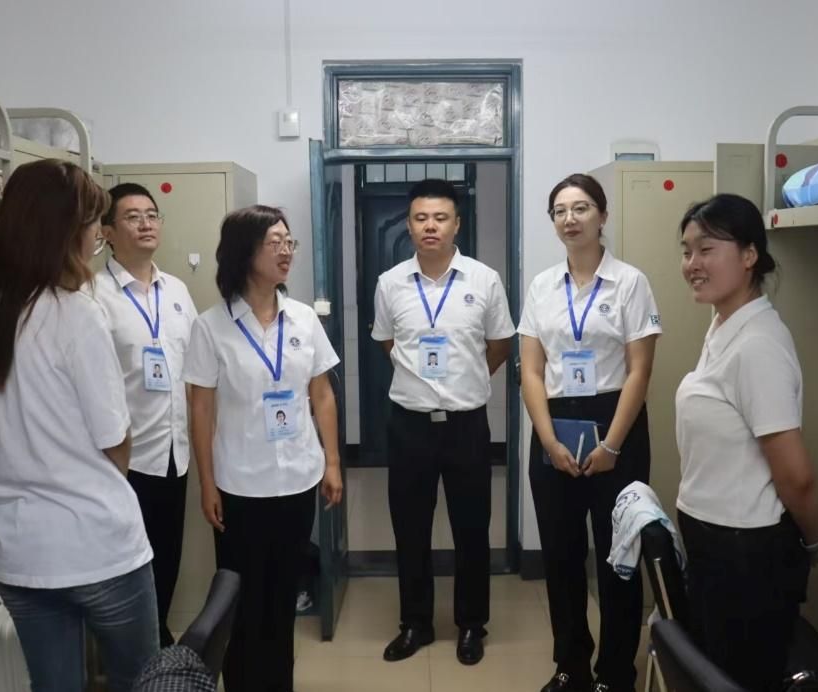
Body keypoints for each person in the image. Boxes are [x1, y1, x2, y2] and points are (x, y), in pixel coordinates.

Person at [0, 159, 157, 692]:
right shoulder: (73, 313)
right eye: (92, 227)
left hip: (20, 552)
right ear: (64, 231)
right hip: (100, 545)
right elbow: (114, 440)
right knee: (142, 682)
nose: (95, 240)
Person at [183, 205, 343, 692]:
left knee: (282, 598)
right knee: (242, 602)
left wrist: (332, 462)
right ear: (244, 251)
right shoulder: (211, 326)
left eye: (289, 242)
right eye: (274, 242)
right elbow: (201, 410)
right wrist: (207, 484)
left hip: (297, 478)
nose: (285, 251)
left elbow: (321, 394)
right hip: (240, 485)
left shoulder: (303, 319)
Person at [676, 193, 818, 692]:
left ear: (749, 255)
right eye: (687, 251)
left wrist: (815, 542)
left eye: (707, 249)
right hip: (714, 540)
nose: (692, 264)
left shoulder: (758, 345)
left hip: (745, 553)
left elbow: (796, 476)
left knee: (741, 678)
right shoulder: (723, 325)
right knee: (713, 672)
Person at [518, 173, 661, 692]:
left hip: (615, 420)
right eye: (559, 210)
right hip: (555, 423)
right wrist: (548, 440)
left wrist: (611, 445)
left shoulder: (630, 282)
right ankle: (571, 666)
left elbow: (639, 371)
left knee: (618, 557)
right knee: (561, 556)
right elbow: (531, 370)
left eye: (580, 208)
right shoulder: (542, 286)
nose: (569, 219)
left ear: (602, 216)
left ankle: (616, 672)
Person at [372, 179, 515, 666]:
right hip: (408, 425)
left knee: (471, 529)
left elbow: (500, 345)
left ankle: (472, 624)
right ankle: (415, 623)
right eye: (420, 218)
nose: (429, 226)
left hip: (466, 425)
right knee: (409, 528)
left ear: (457, 224)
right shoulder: (391, 283)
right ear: (409, 225)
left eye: (440, 217)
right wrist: (423, 382)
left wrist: (464, 380)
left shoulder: (484, 280)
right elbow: (387, 342)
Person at [93, 183, 198, 647]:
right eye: (133, 216)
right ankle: (142, 652)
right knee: (129, 567)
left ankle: (157, 646)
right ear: (107, 232)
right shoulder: (93, 296)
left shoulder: (176, 290)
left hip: (175, 454)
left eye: (152, 215)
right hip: (125, 461)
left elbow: (195, 366)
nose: (146, 223)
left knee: (167, 559)